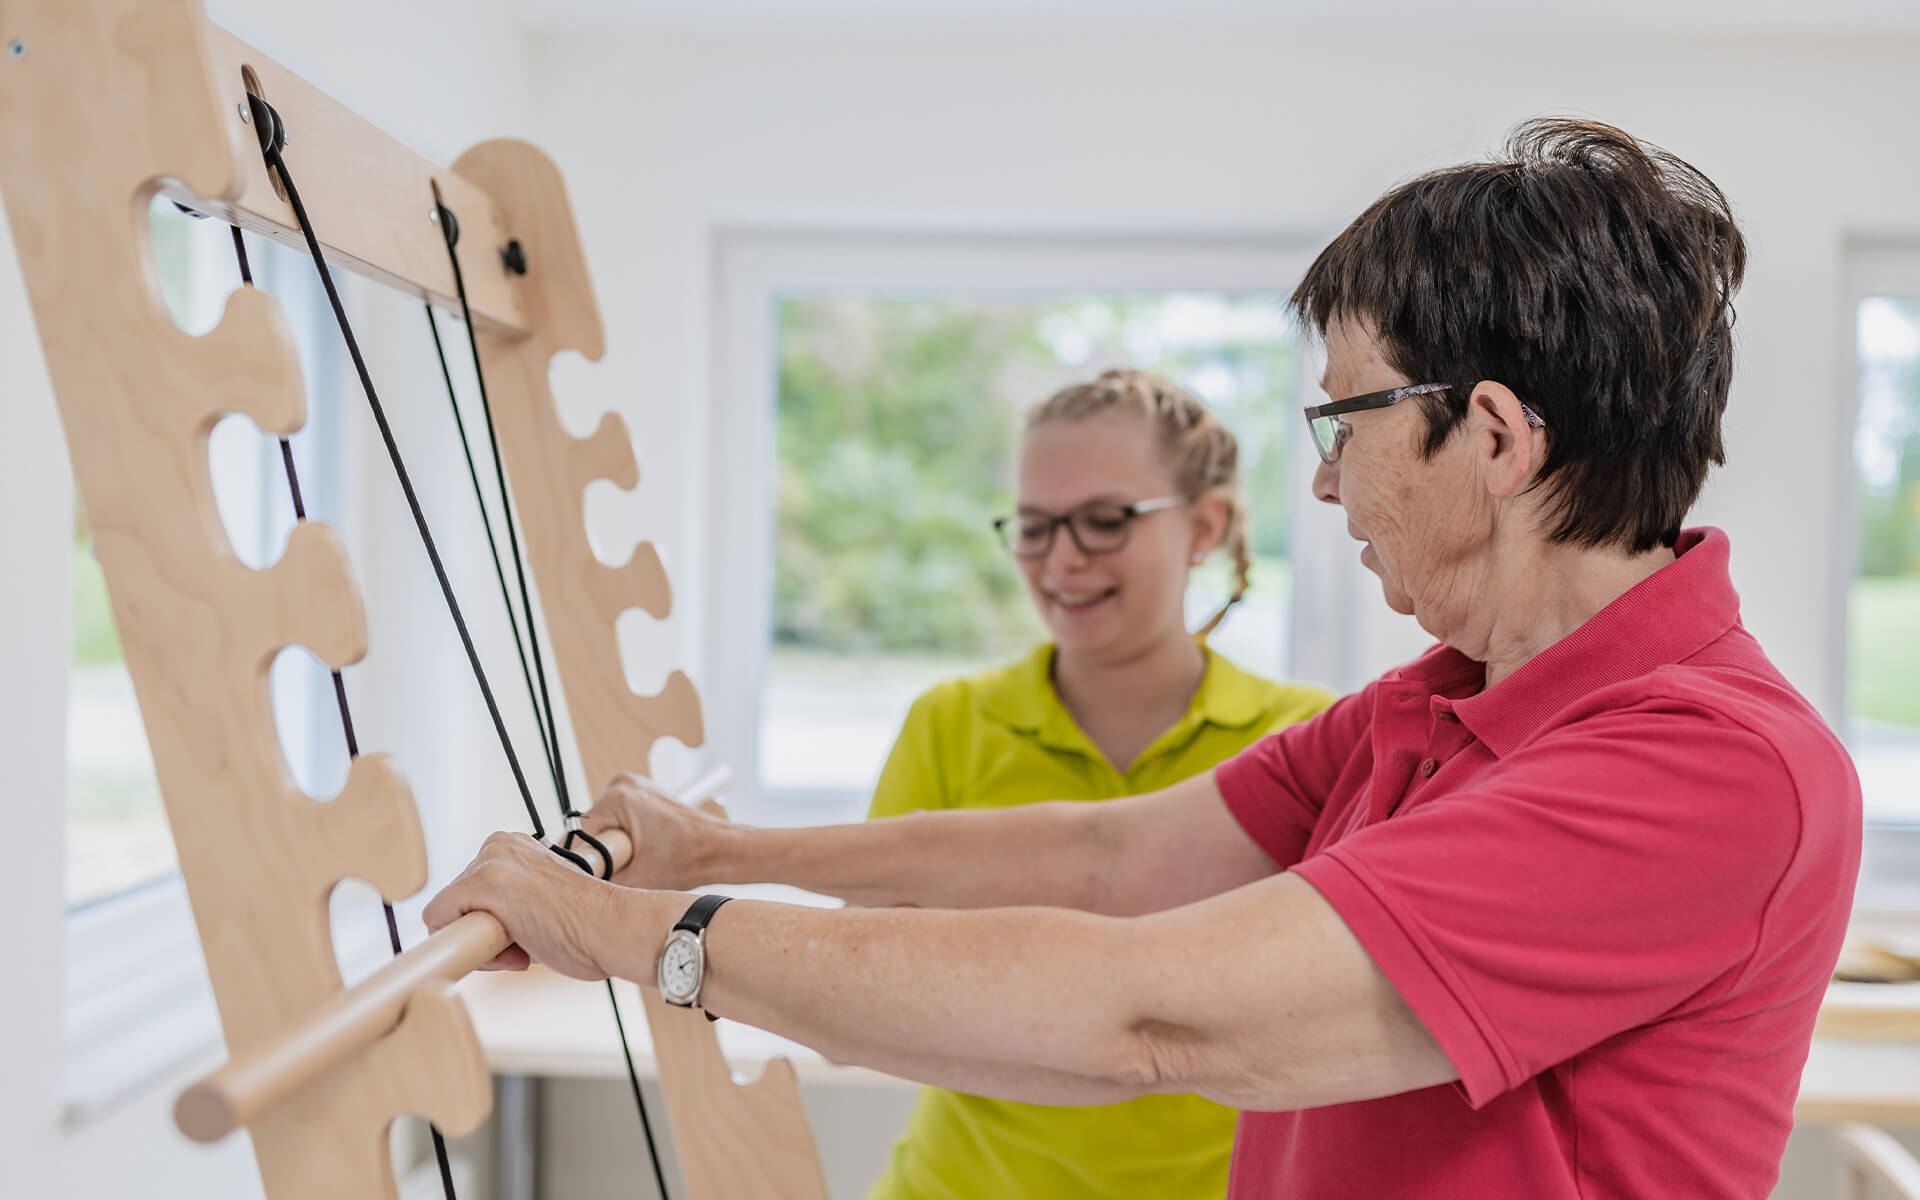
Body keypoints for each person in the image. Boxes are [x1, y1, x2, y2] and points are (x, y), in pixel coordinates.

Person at [426, 118, 1862, 1199]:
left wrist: (626, 937)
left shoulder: (1707, 766)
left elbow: (1149, 1014)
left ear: (1491, 436)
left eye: (1343, 427)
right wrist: (705, 850)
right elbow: (1108, 863)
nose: (1328, 489)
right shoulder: (1433, 707)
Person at [864, 368, 1333, 1199]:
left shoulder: (1306, 741)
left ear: (1205, 526)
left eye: (1106, 521)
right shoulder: (949, 725)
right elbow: (864, 986)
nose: (1063, 560)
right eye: (1035, 528)